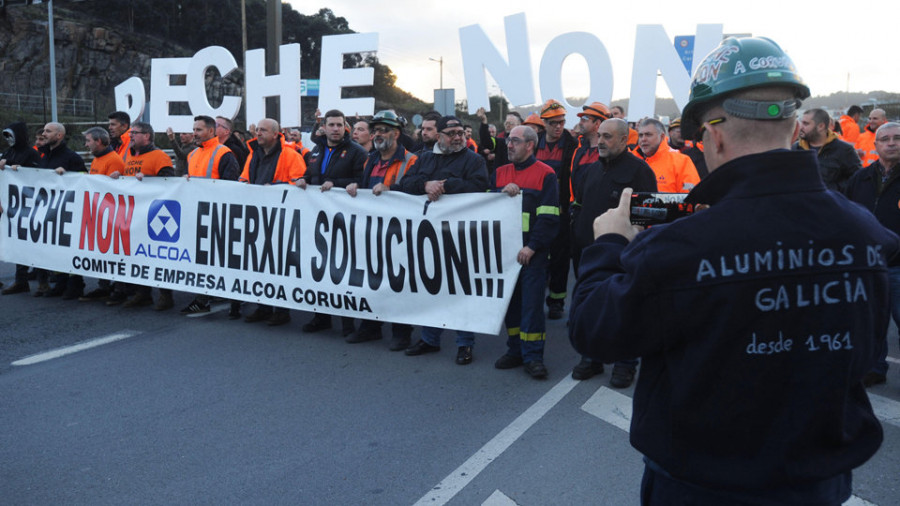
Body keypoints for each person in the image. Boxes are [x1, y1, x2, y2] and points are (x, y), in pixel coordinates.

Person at [570, 36, 898, 505]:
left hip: (700, 486)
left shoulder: (680, 246)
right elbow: (863, 352)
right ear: (791, 129)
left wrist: (610, 243)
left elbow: (593, 329)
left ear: (715, 135)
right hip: (818, 484)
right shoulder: (864, 232)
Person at [569, 118, 657, 385]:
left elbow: (647, 216)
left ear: (623, 140)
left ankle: (625, 363)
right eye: (601, 136)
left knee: (624, 308)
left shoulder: (639, 171)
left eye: (608, 137)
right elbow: (581, 204)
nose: (601, 142)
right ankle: (591, 358)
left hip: (623, 254)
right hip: (589, 252)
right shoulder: (592, 170)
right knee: (591, 304)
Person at [399, 115, 489, 365]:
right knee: (432, 288)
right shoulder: (424, 158)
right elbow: (405, 184)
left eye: (461, 132)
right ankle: (429, 339)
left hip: (460, 235)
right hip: (428, 236)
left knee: (460, 291)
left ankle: (465, 344)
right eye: (452, 133)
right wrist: (426, 184)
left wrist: (447, 186)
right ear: (439, 137)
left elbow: (481, 188)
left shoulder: (474, 160)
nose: (458, 137)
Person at [346, 110, 418, 350]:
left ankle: (401, 332)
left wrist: (390, 189)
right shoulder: (371, 159)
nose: (378, 134)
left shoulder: (411, 160)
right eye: (375, 130)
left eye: (383, 130)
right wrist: (357, 186)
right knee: (370, 279)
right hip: (372, 230)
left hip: (399, 231)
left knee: (398, 282)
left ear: (396, 133)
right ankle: (370, 327)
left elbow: (414, 189)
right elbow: (366, 187)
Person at [491, 125, 559, 379]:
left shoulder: (546, 174)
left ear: (530, 145)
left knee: (531, 307)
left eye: (515, 141)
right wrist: (499, 193)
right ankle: (515, 350)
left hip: (532, 254)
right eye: (509, 140)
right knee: (512, 305)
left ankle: (533, 357)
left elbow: (550, 218)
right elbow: (485, 206)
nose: (509, 145)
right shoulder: (499, 173)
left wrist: (532, 247)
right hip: (506, 254)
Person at [299, 109, 367, 336]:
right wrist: (304, 179)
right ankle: (321, 317)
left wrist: (335, 182)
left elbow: (362, 181)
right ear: (324, 127)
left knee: (342, 270)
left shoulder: (356, 152)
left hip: (343, 220)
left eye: (339, 125)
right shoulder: (317, 151)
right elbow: (313, 175)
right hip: (318, 218)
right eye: (332, 125)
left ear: (345, 127)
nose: (336, 129)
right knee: (318, 267)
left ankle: (348, 324)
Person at [844, 121, 900, 387]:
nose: (891, 143)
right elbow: (848, 215)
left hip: (899, 266)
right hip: (869, 264)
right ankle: (874, 368)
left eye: (897, 138)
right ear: (875, 145)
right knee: (872, 322)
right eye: (885, 139)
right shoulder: (861, 178)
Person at [237, 118, 306, 325]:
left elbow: (298, 184)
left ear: (276, 134)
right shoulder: (253, 154)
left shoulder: (291, 156)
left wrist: (274, 187)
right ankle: (263, 306)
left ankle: (282, 310)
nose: (258, 133)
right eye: (257, 130)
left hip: (282, 219)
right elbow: (244, 179)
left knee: (280, 266)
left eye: (263, 130)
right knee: (260, 265)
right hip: (257, 217)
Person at [107, 122, 177, 310]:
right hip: (134, 214)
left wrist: (148, 180)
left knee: (158, 256)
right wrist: (118, 175)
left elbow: (170, 183)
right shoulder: (130, 155)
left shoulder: (160, 156)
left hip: (155, 214)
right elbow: (127, 180)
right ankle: (142, 292)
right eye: (131, 133)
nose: (131, 136)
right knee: (137, 255)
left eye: (135, 133)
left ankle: (165, 294)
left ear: (147, 136)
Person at [180, 115, 241, 314]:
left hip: (218, 216)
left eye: (198, 130)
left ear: (211, 131)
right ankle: (205, 296)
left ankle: (214, 298)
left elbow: (230, 186)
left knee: (218, 259)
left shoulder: (224, 154)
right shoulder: (192, 155)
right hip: (198, 215)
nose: (194, 133)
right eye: (194, 129)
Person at [535, 99, 578, 320]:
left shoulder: (572, 145)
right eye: (553, 123)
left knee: (561, 258)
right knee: (537, 255)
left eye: (561, 122)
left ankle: (557, 301)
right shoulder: (534, 144)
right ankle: (535, 296)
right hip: (537, 210)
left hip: (560, 212)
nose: (558, 127)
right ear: (544, 123)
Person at [34, 122, 87, 298]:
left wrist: (68, 174)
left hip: (68, 211)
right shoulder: (44, 156)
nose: (44, 134)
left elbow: (85, 180)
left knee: (69, 248)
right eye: (43, 131)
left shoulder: (71, 157)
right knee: (54, 248)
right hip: (50, 210)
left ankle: (75, 284)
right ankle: (61, 281)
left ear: (59, 135)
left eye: (48, 131)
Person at [0, 121, 42, 295]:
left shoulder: (31, 153)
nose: (9, 139)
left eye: (11, 136)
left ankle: (32, 279)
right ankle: (21, 279)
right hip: (8, 204)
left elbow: (38, 176)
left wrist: (20, 170)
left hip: (27, 204)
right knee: (13, 241)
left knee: (28, 242)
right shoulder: (9, 152)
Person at [793, 108, 861, 192]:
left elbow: (858, 179)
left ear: (821, 126)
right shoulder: (795, 149)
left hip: (832, 203)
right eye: (801, 122)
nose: (801, 127)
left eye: (806, 124)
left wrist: (834, 190)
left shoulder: (844, 150)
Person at [633, 118, 700, 193]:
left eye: (648, 135)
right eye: (641, 135)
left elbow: (691, 197)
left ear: (662, 137)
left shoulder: (681, 162)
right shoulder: (631, 161)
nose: (643, 139)